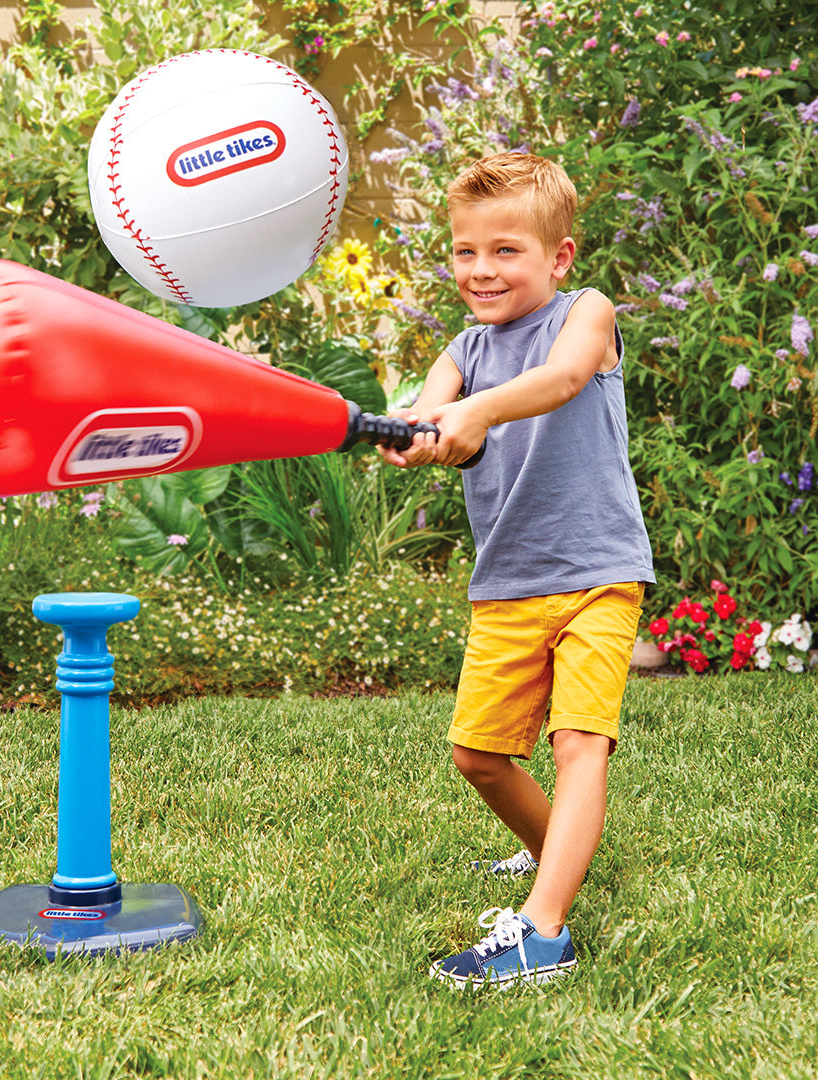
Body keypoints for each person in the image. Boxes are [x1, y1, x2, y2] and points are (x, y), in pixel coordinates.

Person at [379, 152, 656, 989]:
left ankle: (543, 931)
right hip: (508, 581)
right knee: (479, 757)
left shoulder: (585, 312)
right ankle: (557, 856)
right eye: (466, 251)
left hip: (597, 570)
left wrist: (475, 410)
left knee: (578, 742)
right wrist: (409, 433)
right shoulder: (463, 350)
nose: (482, 269)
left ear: (559, 257)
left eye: (506, 250)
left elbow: (562, 379)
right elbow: (432, 415)